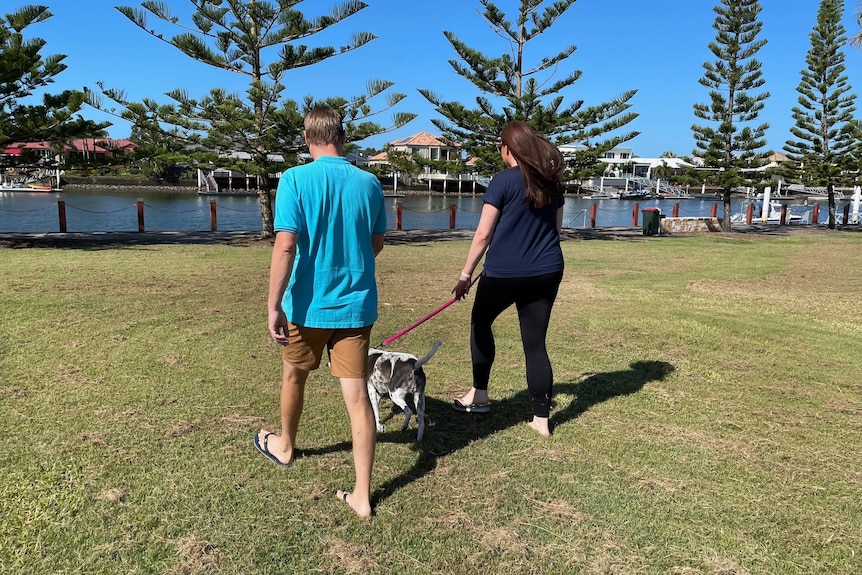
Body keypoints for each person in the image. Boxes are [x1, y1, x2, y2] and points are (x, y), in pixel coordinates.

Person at [255, 105, 386, 518]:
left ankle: (285, 445)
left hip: (308, 307)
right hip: (355, 307)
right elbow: (376, 242)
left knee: (294, 377)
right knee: (357, 396)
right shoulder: (369, 183)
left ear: (308, 140)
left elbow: (285, 246)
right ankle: (362, 496)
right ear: (342, 137)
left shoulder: (294, 179)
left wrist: (273, 304)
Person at [451, 120, 565, 437]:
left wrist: (465, 275)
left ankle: (480, 394)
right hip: (547, 271)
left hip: (503, 274)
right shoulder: (552, 183)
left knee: (480, 323)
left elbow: (483, 235)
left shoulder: (502, 182)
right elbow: (556, 231)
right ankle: (541, 420)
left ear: (507, 149)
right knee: (535, 344)